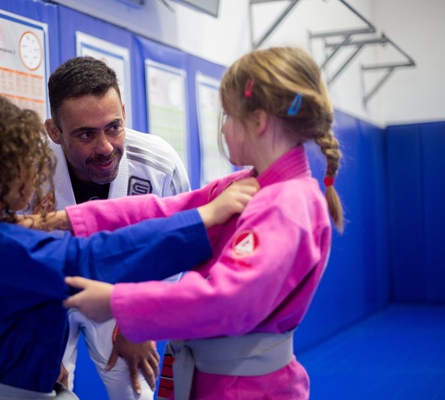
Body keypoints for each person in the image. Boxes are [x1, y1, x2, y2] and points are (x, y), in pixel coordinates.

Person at [0, 92, 254, 399]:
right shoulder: (6, 250)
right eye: (26, 162)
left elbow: (8, 323)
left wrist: (43, 365)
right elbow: (103, 253)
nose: (35, 175)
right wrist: (203, 218)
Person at [59, 46, 345, 399]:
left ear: (258, 122)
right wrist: (69, 219)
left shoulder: (287, 204)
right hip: (214, 380)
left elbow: (227, 300)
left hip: (247, 388)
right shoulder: (248, 185)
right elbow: (165, 213)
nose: (222, 131)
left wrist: (118, 302)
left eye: (227, 116)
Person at [40, 56, 191, 399]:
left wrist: (138, 318)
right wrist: (36, 341)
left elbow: (176, 251)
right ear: (55, 131)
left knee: (134, 392)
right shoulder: (29, 168)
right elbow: (10, 257)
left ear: (123, 110)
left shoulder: (159, 166)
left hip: (122, 297)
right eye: (85, 134)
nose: (105, 146)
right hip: (47, 299)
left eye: (114, 126)